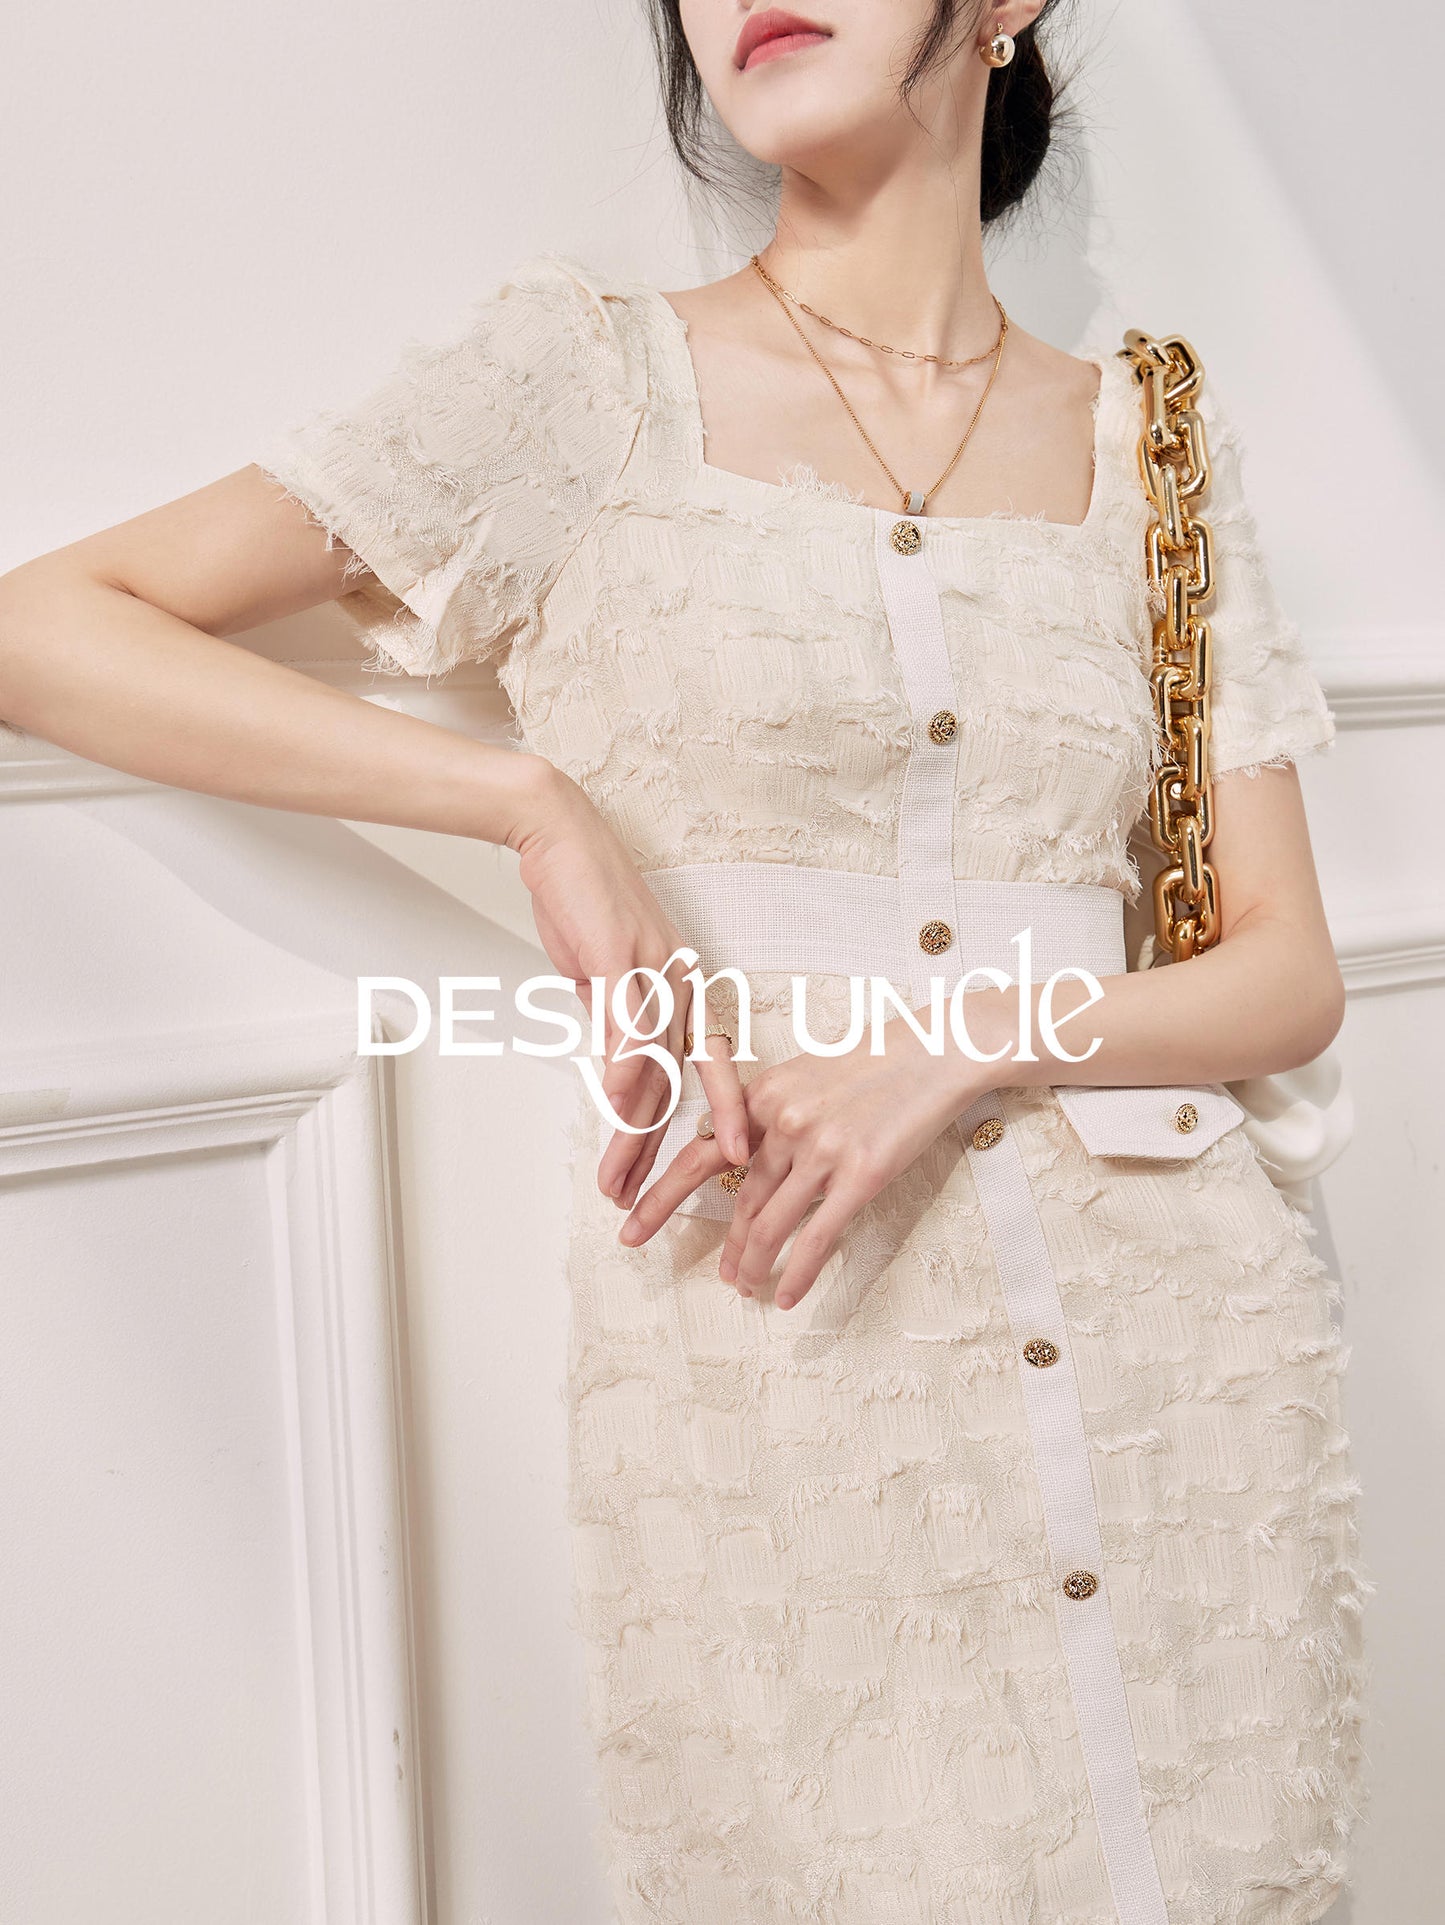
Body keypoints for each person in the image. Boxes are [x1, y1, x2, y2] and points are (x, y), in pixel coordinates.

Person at [0, 2, 1366, 1919]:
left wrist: (967, 1037)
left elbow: (1284, 977)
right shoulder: (579, 383)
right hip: (789, 1343)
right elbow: (49, 625)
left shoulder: (1152, 439)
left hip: (1181, 1374)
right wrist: (528, 804)